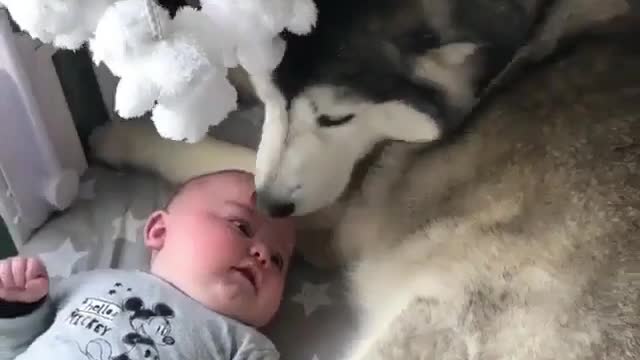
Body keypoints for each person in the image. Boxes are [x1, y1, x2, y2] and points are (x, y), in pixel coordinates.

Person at [0, 170, 295, 360]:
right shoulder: (93, 281)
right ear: (159, 231)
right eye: (241, 226)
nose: (263, 255)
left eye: (279, 260)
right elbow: (17, 343)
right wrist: (20, 306)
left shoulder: (246, 344)